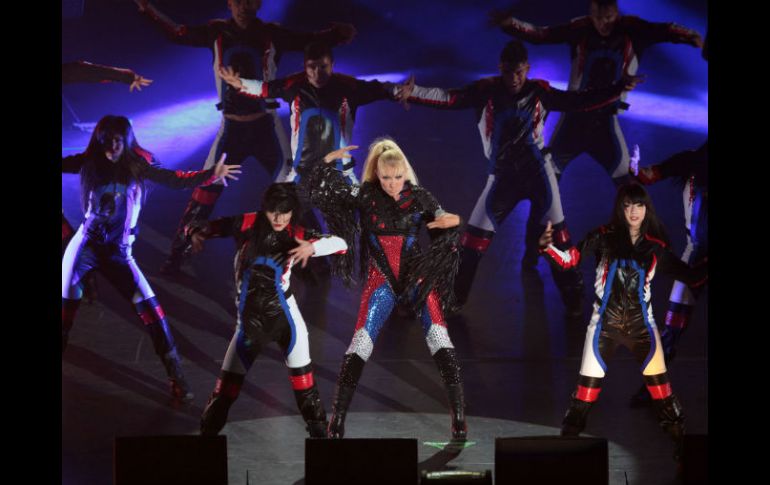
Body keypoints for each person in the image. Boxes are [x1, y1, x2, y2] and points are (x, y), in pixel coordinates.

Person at [405, 39, 640, 314]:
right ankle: (454, 301)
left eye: (519, 72)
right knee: (471, 246)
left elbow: (578, 101)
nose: (514, 78)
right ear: (500, 68)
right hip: (502, 179)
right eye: (509, 72)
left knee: (560, 242)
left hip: (539, 176)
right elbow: (449, 98)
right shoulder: (486, 90)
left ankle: (574, 301)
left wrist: (617, 89)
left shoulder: (539, 91)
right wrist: (414, 92)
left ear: (527, 68)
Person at [132, 0, 356, 274]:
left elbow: (309, 41)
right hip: (231, 131)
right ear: (229, 3)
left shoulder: (271, 34)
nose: (244, 6)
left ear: (259, 3)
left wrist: (337, 35)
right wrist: (147, 9)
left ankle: (318, 259)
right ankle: (178, 255)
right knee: (205, 190)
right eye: (239, 1)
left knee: (292, 191)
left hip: (266, 129)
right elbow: (176, 33)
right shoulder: (216, 32)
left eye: (250, 0)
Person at [61, 115, 241, 401]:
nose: (112, 147)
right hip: (86, 248)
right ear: (99, 140)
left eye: (118, 141)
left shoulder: (139, 164)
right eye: (107, 140)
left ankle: (176, 376)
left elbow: (174, 179)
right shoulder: (88, 162)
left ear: (126, 141)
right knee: (65, 308)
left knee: (154, 315)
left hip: (120, 254)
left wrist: (209, 175)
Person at [309, 138, 467, 440]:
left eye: (397, 177)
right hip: (380, 280)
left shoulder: (420, 197)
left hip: (416, 278)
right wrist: (326, 161)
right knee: (360, 344)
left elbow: (446, 220)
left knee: (440, 338)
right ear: (377, 175)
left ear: (405, 173)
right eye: (385, 178)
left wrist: (456, 220)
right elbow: (322, 193)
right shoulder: (364, 195)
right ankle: (338, 418)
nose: (392, 184)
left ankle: (458, 416)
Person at [539, 183, 707, 461]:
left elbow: (693, 277)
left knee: (664, 398)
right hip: (603, 328)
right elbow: (570, 261)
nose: (633, 211)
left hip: (643, 329)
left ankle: (687, 458)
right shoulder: (602, 237)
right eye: (628, 205)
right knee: (582, 400)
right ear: (620, 207)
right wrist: (547, 248)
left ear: (646, 209)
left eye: (638, 205)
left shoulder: (656, 248)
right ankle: (563, 459)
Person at [187, 183, 347, 437]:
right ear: (265, 208)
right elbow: (205, 225)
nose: (279, 218)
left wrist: (313, 247)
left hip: (286, 320)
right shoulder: (248, 222)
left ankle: (324, 452)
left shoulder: (296, 232)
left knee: (307, 394)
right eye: (274, 211)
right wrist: (195, 232)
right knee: (223, 396)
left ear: (293, 212)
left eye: (285, 212)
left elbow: (341, 244)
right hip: (250, 325)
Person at [218, 41, 413, 187]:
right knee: (282, 211)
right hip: (302, 173)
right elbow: (264, 88)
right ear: (305, 66)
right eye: (312, 67)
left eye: (323, 67)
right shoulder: (294, 85)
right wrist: (239, 83)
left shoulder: (348, 87)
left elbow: (379, 89)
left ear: (332, 65)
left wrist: (399, 91)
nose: (317, 73)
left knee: (355, 220)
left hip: (340, 172)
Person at [628, 142, 708, 406]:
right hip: (694, 262)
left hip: (694, 259)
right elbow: (647, 176)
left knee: (672, 329)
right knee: (672, 329)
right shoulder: (691, 161)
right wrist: (634, 167)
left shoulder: (692, 160)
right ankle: (652, 386)